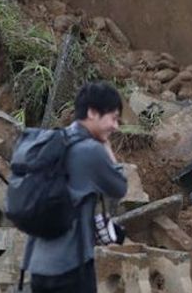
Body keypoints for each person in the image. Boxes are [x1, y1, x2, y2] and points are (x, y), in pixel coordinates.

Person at [24, 81, 128, 293]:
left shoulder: (51, 141)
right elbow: (119, 188)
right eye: (113, 118)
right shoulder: (90, 150)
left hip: (40, 264)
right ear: (92, 112)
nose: (115, 126)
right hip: (72, 266)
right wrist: (107, 149)